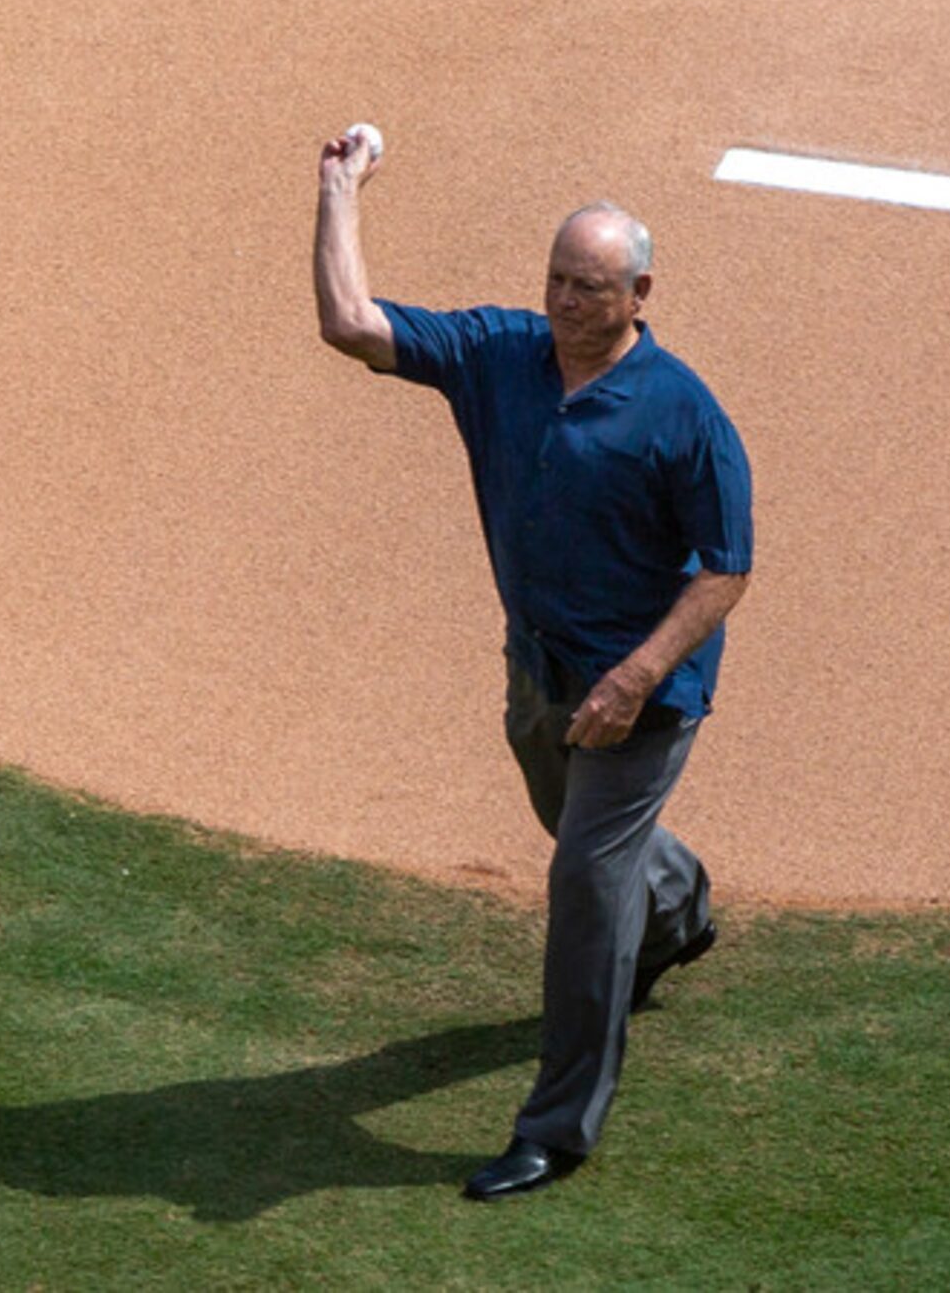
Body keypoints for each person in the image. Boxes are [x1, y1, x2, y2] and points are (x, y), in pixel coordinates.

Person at [312, 124, 754, 1201]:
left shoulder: (682, 414)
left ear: (639, 291)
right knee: (580, 831)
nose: (562, 301)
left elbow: (724, 571)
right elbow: (351, 324)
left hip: (641, 695)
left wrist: (636, 677)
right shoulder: (498, 358)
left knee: (583, 889)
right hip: (541, 674)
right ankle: (681, 904)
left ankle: (556, 1129)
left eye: (589, 286)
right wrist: (337, 190)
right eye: (555, 278)